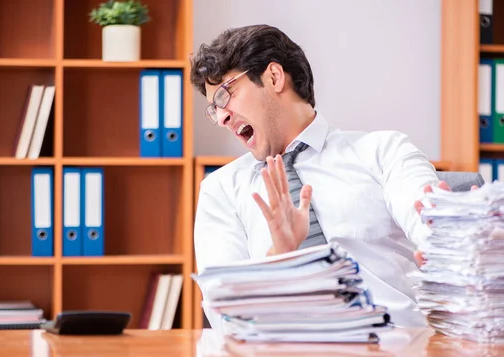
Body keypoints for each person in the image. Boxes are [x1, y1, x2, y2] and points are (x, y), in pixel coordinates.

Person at [190, 24, 447, 328]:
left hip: (397, 354)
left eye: (223, 96)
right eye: (213, 109)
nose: (220, 117)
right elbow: (227, 318)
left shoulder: (383, 151)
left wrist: (450, 237)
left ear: (273, 77)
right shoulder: (219, 190)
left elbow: (429, 221)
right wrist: (279, 256)